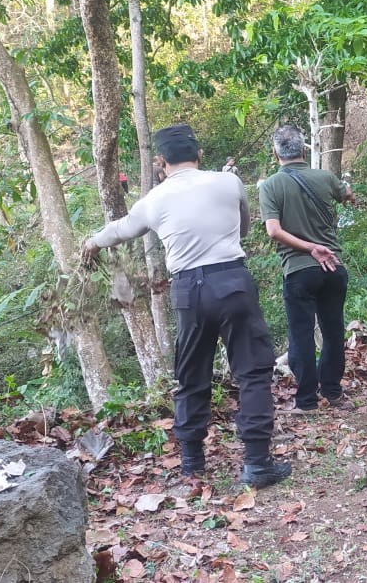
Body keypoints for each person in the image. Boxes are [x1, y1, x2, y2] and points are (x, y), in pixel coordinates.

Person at [81, 124, 289, 489]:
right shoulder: (228, 183)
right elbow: (241, 230)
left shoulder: (154, 200)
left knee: (192, 376)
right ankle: (257, 463)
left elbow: (120, 229)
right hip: (232, 281)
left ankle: (192, 464)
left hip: (187, 290)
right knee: (252, 372)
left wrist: (91, 244)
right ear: (200, 155)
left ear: (160, 162)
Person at [259, 124, 357, 414]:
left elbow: (273, 231)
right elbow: (346, 194)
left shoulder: (271, 186)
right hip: (333, 268)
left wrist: (308, 248)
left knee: (300, 335)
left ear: (275, 153)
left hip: (299, 271)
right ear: (304, 150)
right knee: (333, 330)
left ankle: (307, 402)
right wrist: (347, 196)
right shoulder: (325, 177)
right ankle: (334, 392)